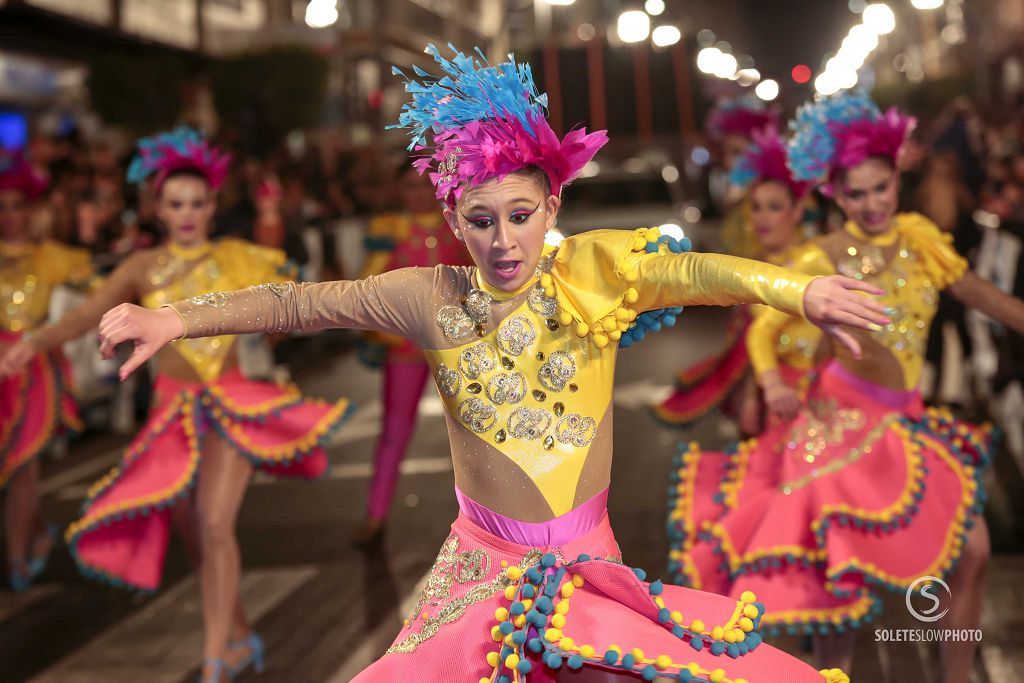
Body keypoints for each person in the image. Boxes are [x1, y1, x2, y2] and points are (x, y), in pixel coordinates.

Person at [93, 47, 891, 682]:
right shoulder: (426, 298)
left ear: (553, 207)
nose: (505, 241)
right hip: (481, 571)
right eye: (482, 220)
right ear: (454, 217)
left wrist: (801, 290)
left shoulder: (596, 273)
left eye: (521, 215)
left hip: (590, 562)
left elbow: (701, 272)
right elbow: (298, 303)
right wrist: (174, 317)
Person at [668, 91, 1024, 681]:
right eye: (855, 193)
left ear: (895, 181)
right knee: (837, 590)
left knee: (974, 550)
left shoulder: (921, 240)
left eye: (880, 188)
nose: (872, 203)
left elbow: (980, 296)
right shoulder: (819, 257)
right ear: (834, 193)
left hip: (905, 420)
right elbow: (762, 330)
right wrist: (772, 383)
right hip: (837, 424)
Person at [0, 128, 352, 682]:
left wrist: (267, 214)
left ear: (212, 206)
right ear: (158, 209)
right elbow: (85, 312)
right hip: (170, 411)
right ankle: (236, 633)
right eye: (175, 203)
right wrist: (34, 343)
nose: (187, 213)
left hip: (232, 404)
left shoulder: (237, 256)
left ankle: (214, 659)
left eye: (196, 203)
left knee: (215, 524)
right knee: (194, 531)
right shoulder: (142, 267)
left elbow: (285, 292)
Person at [654, 129, 821, 435]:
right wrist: (750, 396)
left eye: (775, 207)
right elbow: (746, 343)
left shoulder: (814, 262)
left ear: (797, 211)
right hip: (769, 389)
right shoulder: (751, 267)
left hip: (811, 393)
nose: (762, 217)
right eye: (756, 207)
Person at [352, 165, 474, 545]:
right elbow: (369, 285)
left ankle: (491, 524)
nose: (418, 193)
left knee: (476, 432)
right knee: (394, 432)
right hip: (405, 345)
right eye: (409, 186)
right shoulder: (390, 231)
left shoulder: (459, 225)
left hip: (456, 344)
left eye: (424, 185)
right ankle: (375, 515)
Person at [0, 150, 93, 591]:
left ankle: (17, 558)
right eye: (1, 206)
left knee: (23, 462)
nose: (9, 216)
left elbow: (90, 299)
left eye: (17, 205)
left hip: (32, 368)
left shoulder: (54, 257)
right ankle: (32, 535)